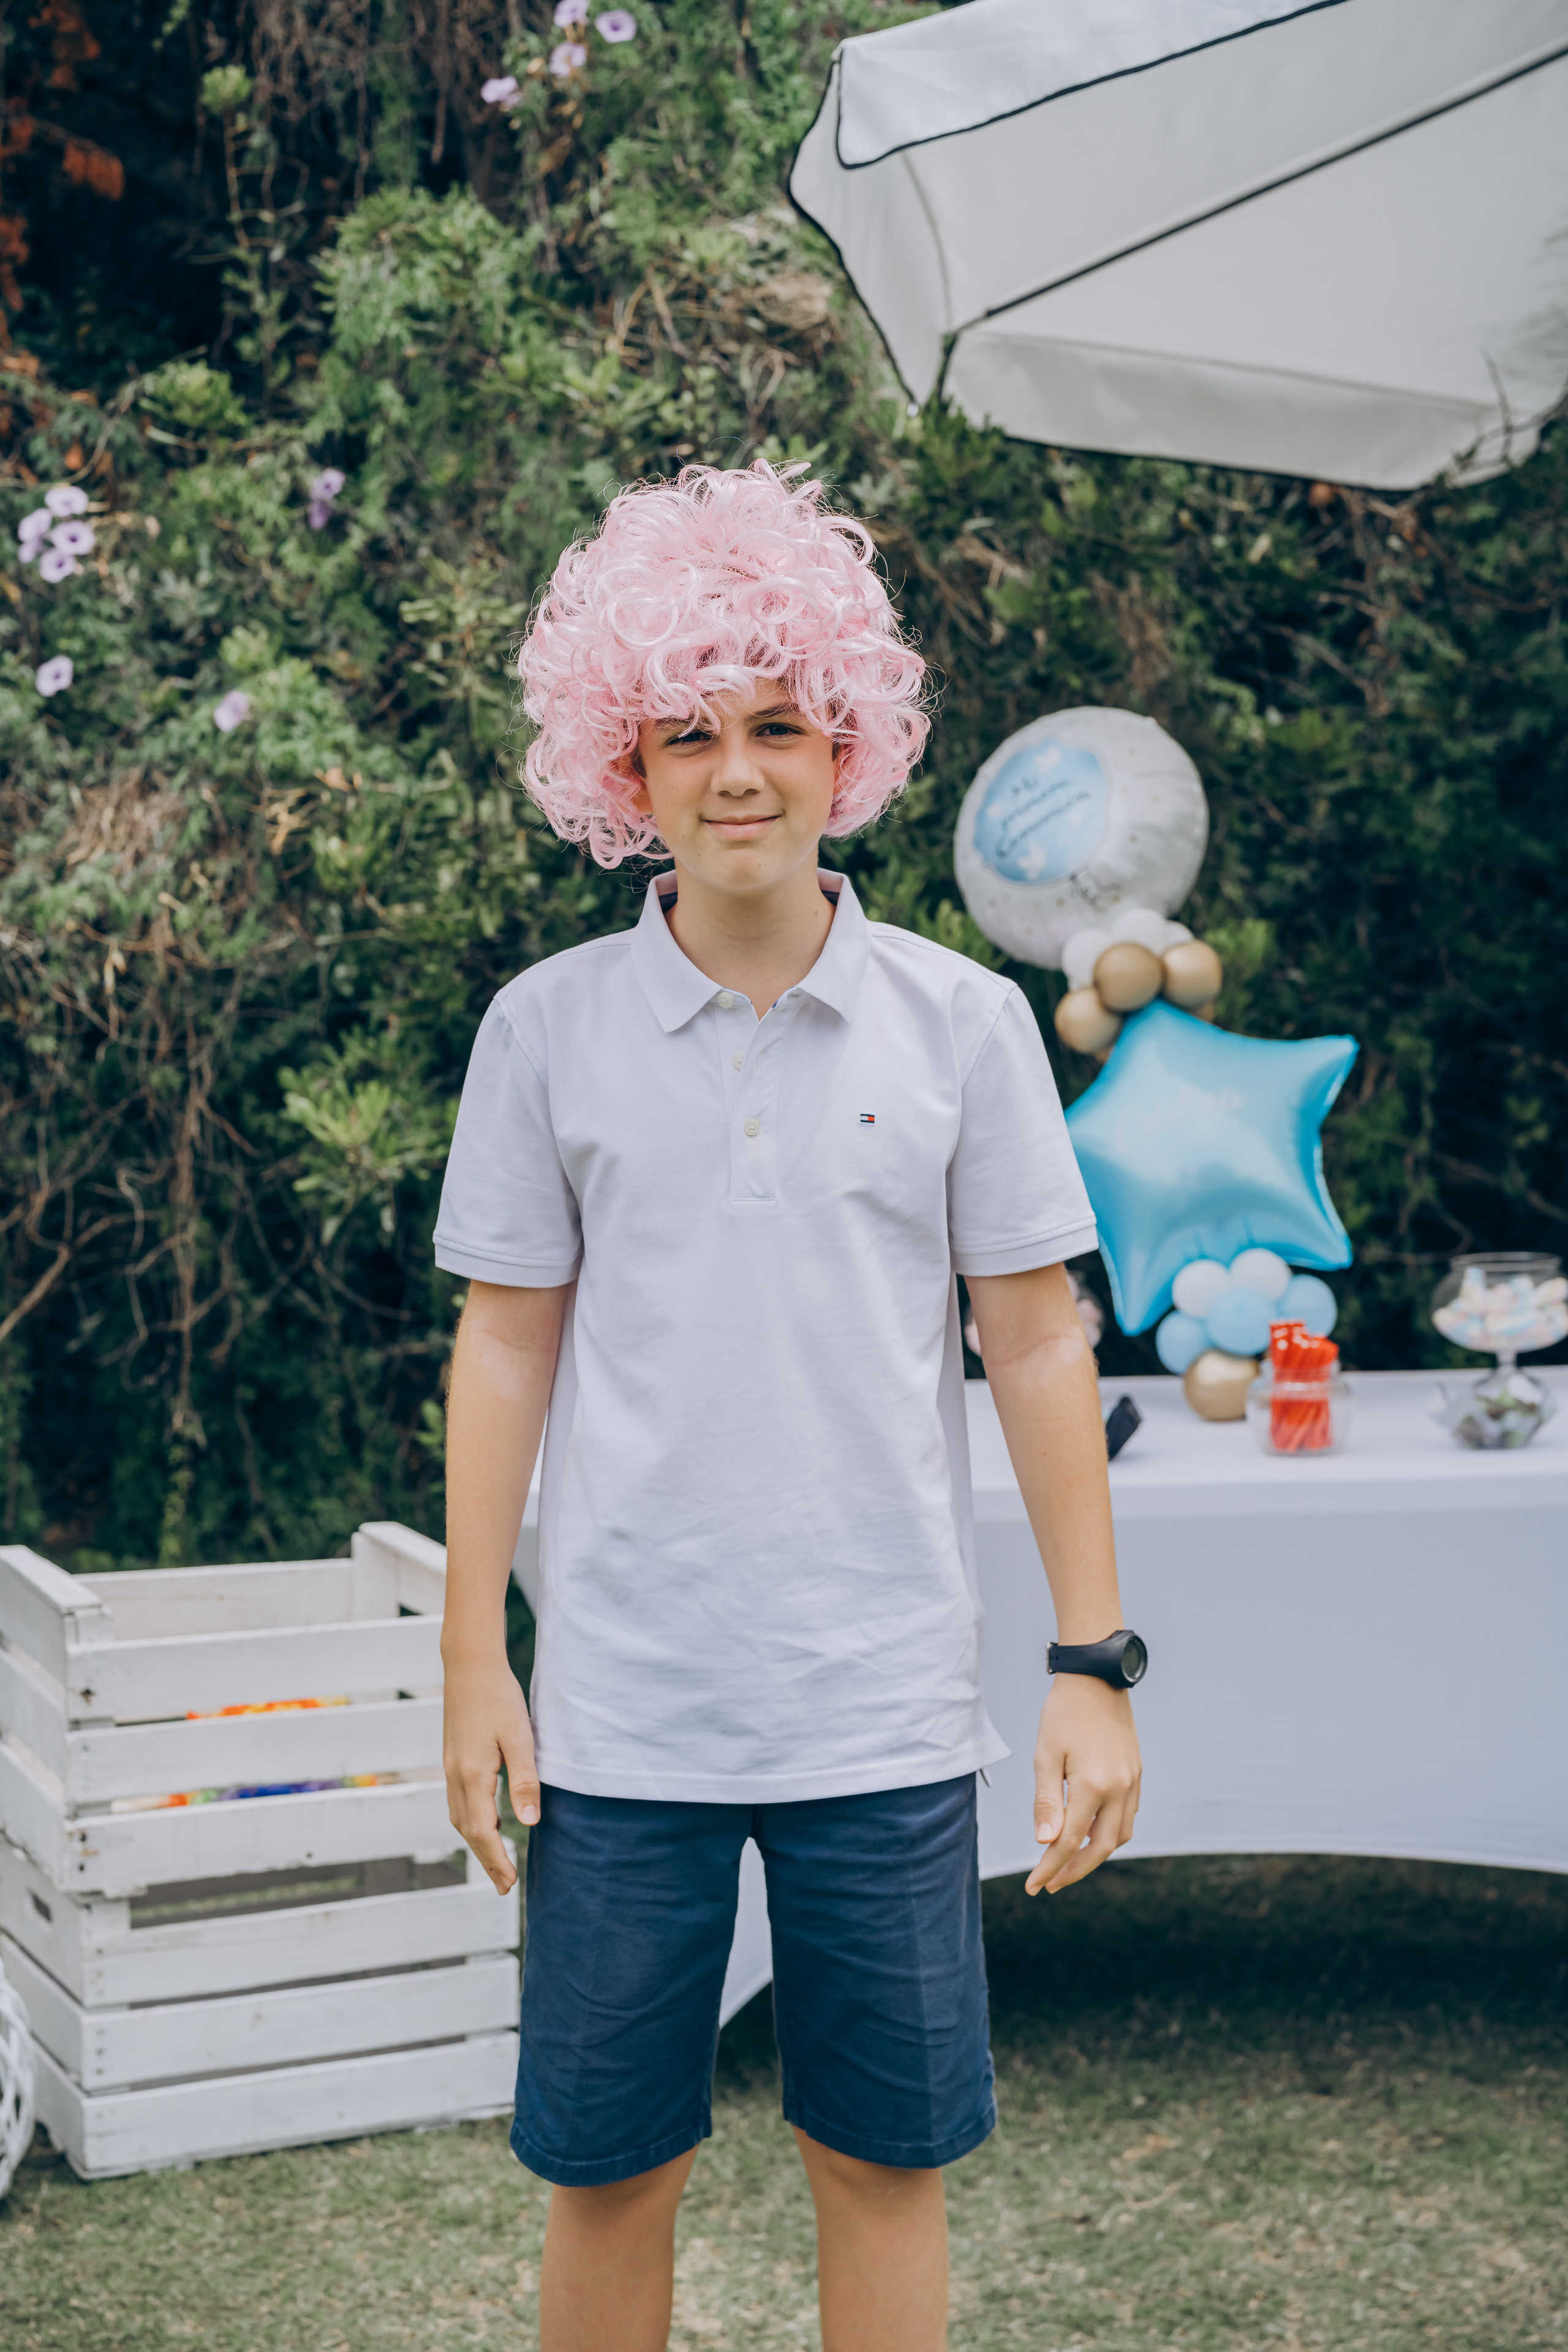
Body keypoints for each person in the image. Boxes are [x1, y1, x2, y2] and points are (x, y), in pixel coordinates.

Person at [435, 461, 1142, 2352]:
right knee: (609, 2166)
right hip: (622, 1716)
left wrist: (1096, 1658)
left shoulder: (963, 1025)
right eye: (688, 732)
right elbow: (507, 1344)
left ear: (849, 745)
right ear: (623, 767)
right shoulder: (546, 1031)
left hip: (883, 1708)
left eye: (778, 723)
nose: (737, 769)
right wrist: (471, 1661)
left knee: (881, 2162)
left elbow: (1038, 1336)